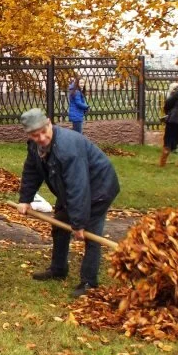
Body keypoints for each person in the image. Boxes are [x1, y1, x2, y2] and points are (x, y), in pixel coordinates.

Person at [16, 108, 120, 298]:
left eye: (43, 132)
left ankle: (89, 281)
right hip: (71, 189)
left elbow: (78, 186)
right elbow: (32, 170)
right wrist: (25, 199)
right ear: (28, 134)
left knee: (90, 234)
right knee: (60, 227)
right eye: (34, 135)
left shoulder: (67, 147)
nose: (41, 138)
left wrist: (79, 223)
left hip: (99, 188)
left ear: (49, 123)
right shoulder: (35, 146)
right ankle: (58, 269)